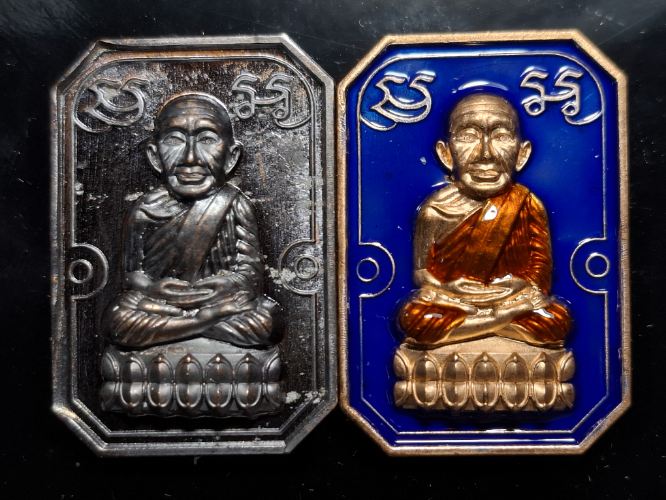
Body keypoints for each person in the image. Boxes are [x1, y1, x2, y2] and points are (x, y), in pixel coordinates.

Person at [105, 92, 279, 348]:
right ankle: (202, 323)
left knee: (267, 319)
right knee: (119, 317)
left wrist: (228, 284)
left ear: (231, 156)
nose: (190, 158)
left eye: (206, 139)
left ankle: (186, 326)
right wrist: (153, 289)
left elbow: (251, 275)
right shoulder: (146, 208)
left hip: (219, 302)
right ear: (154, 155)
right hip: (164, 305)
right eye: (175, 140)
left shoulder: (234, 204)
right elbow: (132, 275)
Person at [398, 93, 571, 349]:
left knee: (555, 319)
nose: (485, 153)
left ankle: (476, 327)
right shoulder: (434, 211)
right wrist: (450, 289)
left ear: (522, 154)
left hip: (513, 299)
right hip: (457, 302)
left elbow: (540, 274)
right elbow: (422, 273)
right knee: (415, 317)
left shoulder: (526, 203)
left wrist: (517, 286)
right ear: (446, 154)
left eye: (500, 136)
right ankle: (498, 323)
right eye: (468, 136)